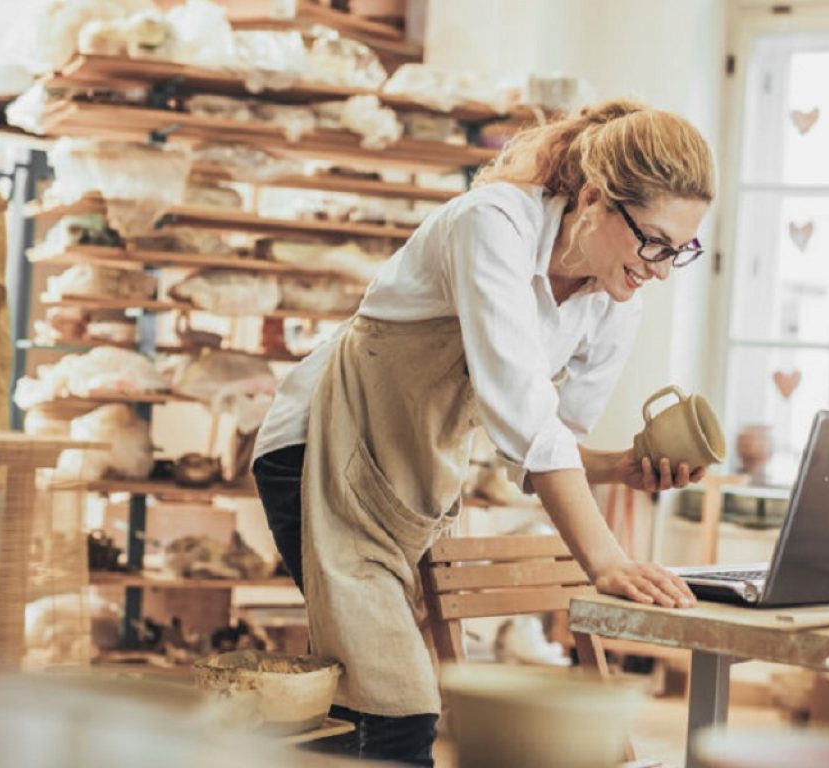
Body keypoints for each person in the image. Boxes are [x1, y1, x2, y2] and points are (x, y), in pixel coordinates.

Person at [251, 98, 715, 766]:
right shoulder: (491, 223)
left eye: (681, 250)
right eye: (654, 241)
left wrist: (622, 468)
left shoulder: (615, 298)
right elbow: (527, 420)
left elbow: (544, 444)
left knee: (366, 698)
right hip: (319, 454)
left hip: (410, 484)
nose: (661, 268)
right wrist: (607, 561)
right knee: (394, 706)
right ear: (592, 198)